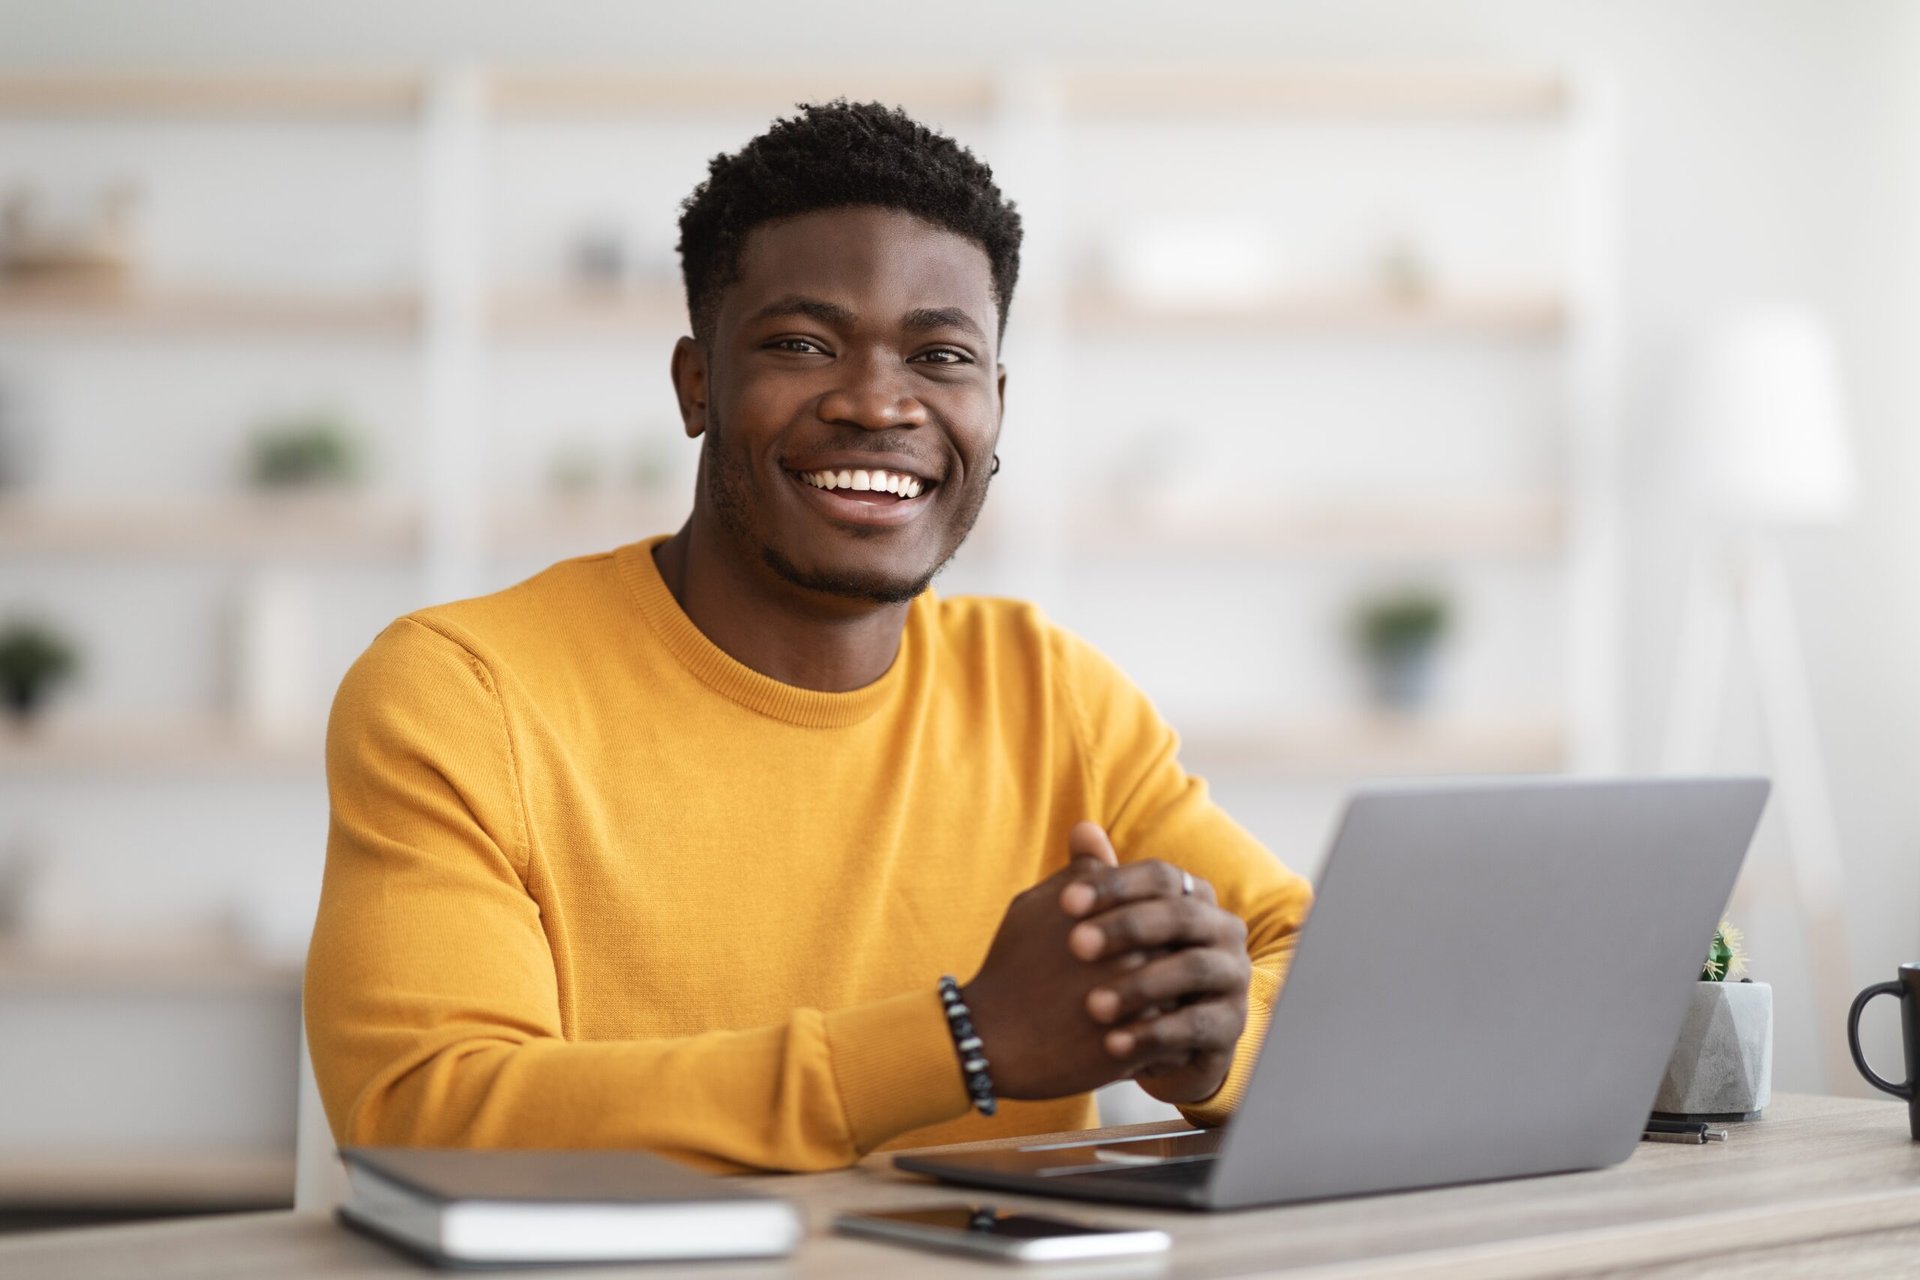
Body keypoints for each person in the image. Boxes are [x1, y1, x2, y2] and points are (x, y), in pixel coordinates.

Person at [304, 100, 1312, 1174]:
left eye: (940, 355)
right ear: (699, 384)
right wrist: (961, 1041)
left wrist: (1212, 1042)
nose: (879, 403)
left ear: (996, 406)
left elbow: (1315, 967)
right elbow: (430, 1111)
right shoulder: (465, 693)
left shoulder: (1048, 689)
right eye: (802, 343)